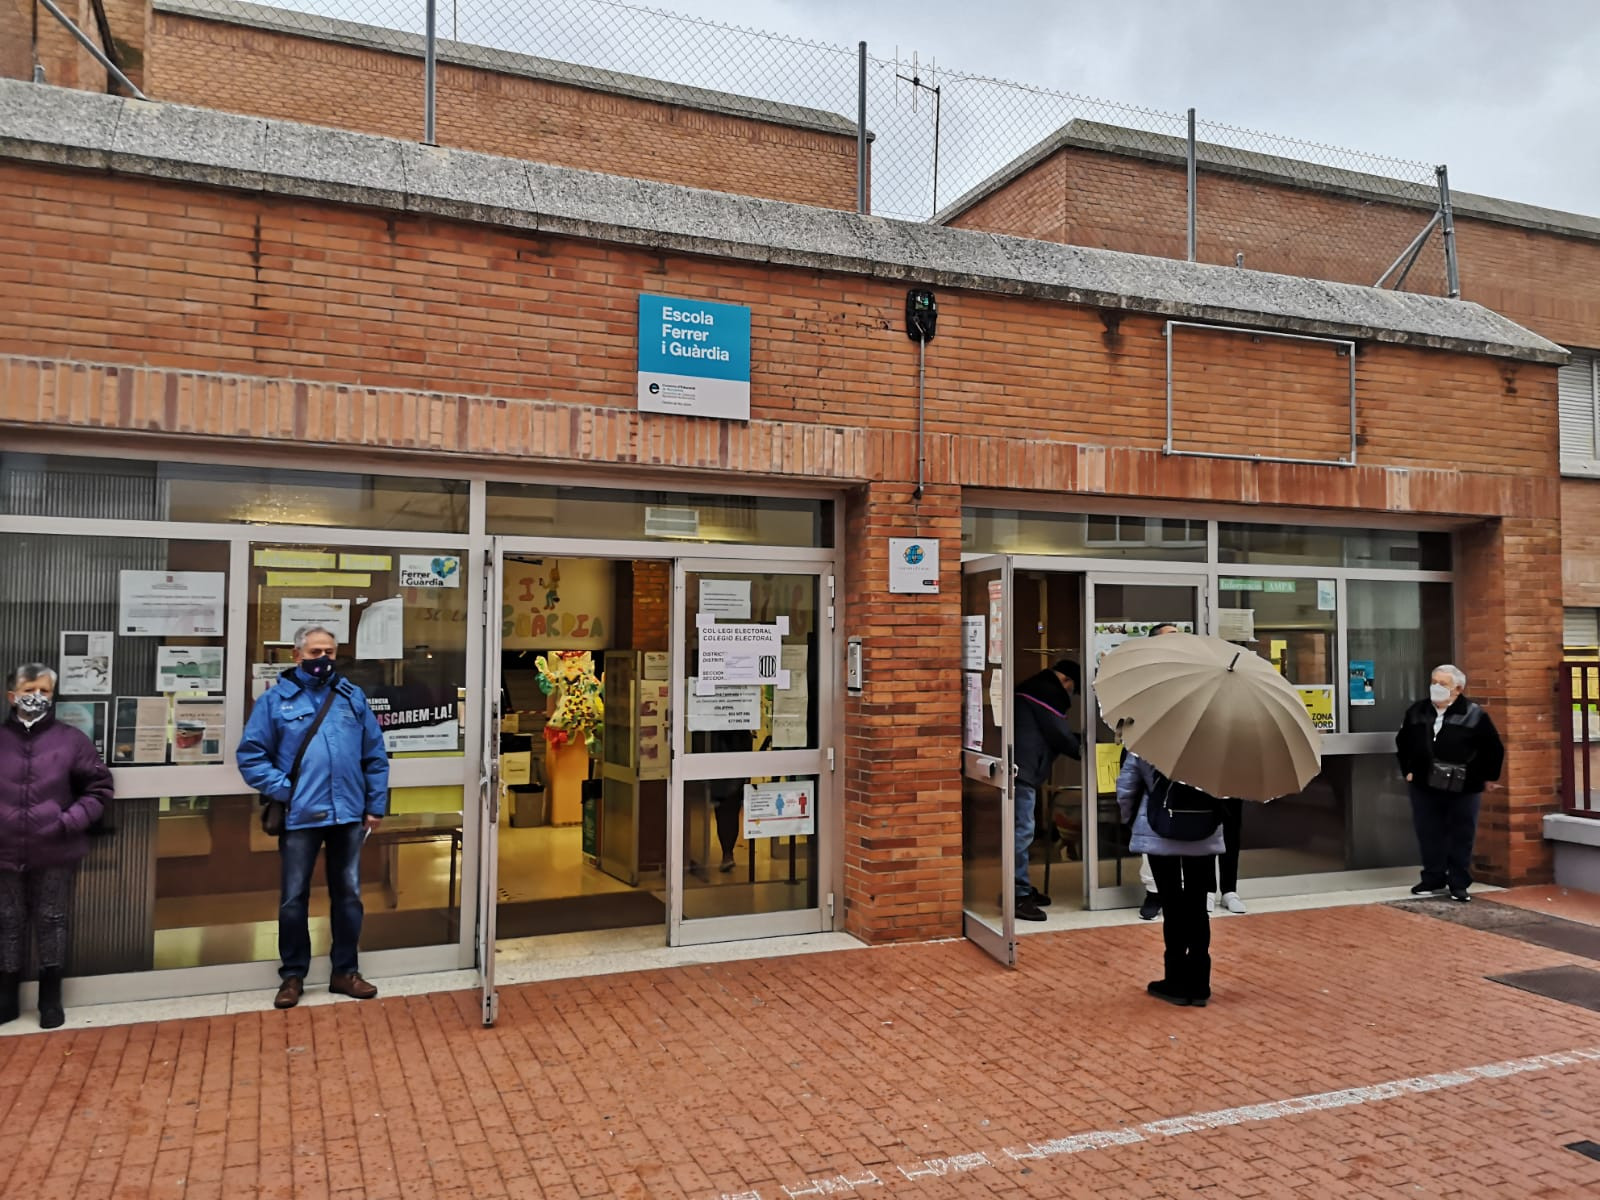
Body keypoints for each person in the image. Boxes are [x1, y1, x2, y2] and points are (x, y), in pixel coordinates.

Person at [237, 625, 389, 1009]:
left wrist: (375, 805)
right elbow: (251, 756)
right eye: (315, 651)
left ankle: (345, 972)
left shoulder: (351, 698)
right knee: (293, 899)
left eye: (329, 652)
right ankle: (292, 976)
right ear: (297, 655)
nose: (323, 659)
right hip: (300, 816)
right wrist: (287, 792)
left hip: (348, 815)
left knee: (349, 896)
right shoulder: (275, 702)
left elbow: (374, 754)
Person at [0, 663, 113, 1029]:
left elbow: (98, 790)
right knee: (7, 920)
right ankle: (7, 995)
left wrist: (68, 822)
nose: (37, 697)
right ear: (12, 695)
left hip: (55, 847)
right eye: (30, 689)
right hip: (4, 849)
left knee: (52, 919)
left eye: (45, 691)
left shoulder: (71, 740)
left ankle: (51, 997)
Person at [1117, 751, 1224, 1006]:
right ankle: (1199, 983)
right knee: (1198, 904)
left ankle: (1175, 981)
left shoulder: (1148, 740)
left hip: (1159, 828)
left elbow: (1127, 786)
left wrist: (1130, 821)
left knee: (1172, 903)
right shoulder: (1213, 741)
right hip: (1204, 830)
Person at [1395, 664, 1504, 903]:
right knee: (1429, 832)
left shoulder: (1474, 714)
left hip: (1464, 784)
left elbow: (1493, 749)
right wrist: (1408, 770)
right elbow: (1403, 742)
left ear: (1458, 688)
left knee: (1461, 833)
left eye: (1442, 684)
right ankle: (1432, 877)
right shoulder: (1417, 711)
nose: (1436, 687)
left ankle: (1458, 882)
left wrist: (1488, 777)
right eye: (1434, 682)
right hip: (1424, 783)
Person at [1013, 659, 1081, 921]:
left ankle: (1018, 886)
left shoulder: (1033, 689)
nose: (1070, 696)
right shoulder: (1046, 694)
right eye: (1072, 689)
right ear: (1065, 681)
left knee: (1019, 832)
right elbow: (1061, 736)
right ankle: (1018, 896)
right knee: (1022, 832)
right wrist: (1086, 749)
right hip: (1024, 772)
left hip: (1020, 769)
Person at [1135, 623, 1182, 921]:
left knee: (1189, 824)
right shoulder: (1144, 677)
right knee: (1152, 825)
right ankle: (1155, 891)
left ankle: (1190, 891)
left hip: (1187, 760)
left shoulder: (1189, 674)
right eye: (1171, 636)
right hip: (1153, 760)